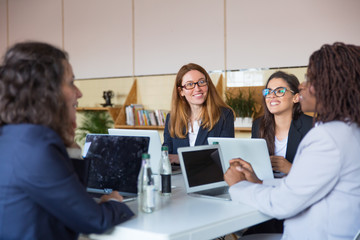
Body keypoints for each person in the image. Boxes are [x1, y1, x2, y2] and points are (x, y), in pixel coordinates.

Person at [224, 42, 360, 239]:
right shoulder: (349, 130)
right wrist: (258, 182)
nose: (302, 86)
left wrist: (238, 185)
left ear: (332, 84)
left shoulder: (327, 138)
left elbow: (281, 204)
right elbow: (303, 187)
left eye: (309, 79)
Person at [0, 42, 134, 240]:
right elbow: (95, 221)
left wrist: (70, 147)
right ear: (47, 91)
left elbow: (68, 202)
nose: (78, 93)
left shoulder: (14, 136)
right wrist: (115, 202)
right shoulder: (37, 146)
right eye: (71, 82)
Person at [163, 63, 235, 164]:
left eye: (201, 82)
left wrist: (181, 158)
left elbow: (224, 155)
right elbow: (166, 155)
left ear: (207, 84)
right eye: (190, 84)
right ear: (181, 91)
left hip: (210, 177)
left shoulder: (224, 115)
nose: (197, 88)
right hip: (178, 178)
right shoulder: (172, 118)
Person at [252, 71, 313, 178]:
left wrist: (290, 168)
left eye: (280, 91)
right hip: (266, 187)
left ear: (296, 97)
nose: (272, 96)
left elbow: (319, 172)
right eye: (268, 91)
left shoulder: (311, 126)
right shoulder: (259, 124)